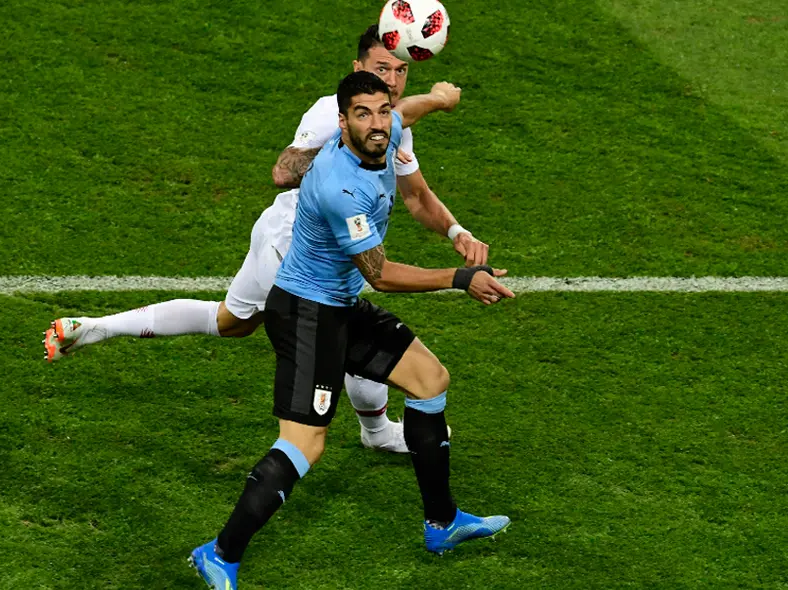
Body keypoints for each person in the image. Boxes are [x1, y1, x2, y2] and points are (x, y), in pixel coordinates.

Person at [44, 25, 487, 453]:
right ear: (357, 68)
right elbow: (283, 170)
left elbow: (417, 195)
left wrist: (456, 231)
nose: (389, 82)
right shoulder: (331, 113)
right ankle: (375, 432)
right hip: (299, 251)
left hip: (275, 234)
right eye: (379, 69)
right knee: (353, 330)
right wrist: (407, 113)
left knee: (230, 323)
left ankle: (97, 328)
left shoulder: (385, 121)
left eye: (399, 71)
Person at [190, 71, 515, 590]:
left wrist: (436, 99)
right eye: (362, 114)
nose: (377, 123)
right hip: (304, 315)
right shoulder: (340, 186)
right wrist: (459, 278)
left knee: (430, 381)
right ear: (341, 123)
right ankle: (219, 552)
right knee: (304, 445)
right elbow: (380, 275)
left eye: (382, 111)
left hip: (339, 305)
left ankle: (443, 523)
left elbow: (408, 112)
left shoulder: (390, 131)